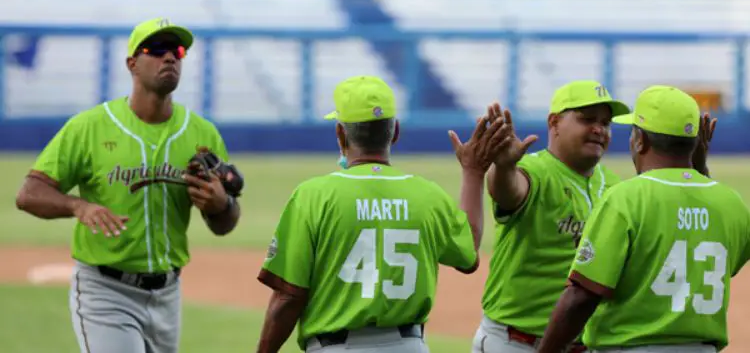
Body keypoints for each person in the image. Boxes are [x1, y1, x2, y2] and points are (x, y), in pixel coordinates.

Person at [14, 17, 241, 353]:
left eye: (177, 50)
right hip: (106, 290)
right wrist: (79, 205)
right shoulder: (90, 127)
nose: (170, 58)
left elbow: (225, 224)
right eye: (157, 49)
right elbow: (29, 194)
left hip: (168, 294)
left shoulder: (202, 135)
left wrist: (221, 204)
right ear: (132, 63)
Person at [255, 75, 503, 353]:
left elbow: (289, 296)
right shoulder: (427, 194)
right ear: (395, 131)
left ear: (340, 133)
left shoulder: (312, 196)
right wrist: (473, 172)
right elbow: (468, 253)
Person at [473, 80, 715, 353]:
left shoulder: (616, 188)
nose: (599, 129)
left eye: (606, 123)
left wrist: (697, 170)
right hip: (516, 342)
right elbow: (508, 191)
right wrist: (504, 167)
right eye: (587, 119)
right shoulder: (534, 171)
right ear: (554, 123)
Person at [537, 85, 742, 353]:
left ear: (640, 140)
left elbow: (581, 296)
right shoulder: (730, 202)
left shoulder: (624, 198)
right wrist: (700, 170)